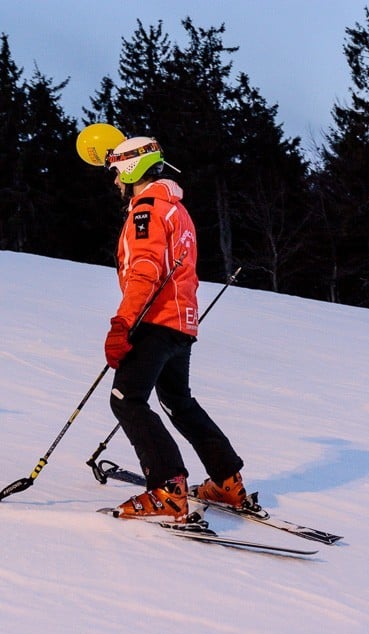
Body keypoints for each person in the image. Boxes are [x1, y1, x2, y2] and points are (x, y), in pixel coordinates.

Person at [103, 135, 250, 522]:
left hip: (154, 319)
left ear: (132, 169)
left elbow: (146, 269)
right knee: (177, 402)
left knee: (126, 399)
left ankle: (167, 489)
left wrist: (122, 324)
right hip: (182, 323)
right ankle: (226, 481)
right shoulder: (177, 210)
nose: (117, 182)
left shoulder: (146, 209)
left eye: (117, 173)